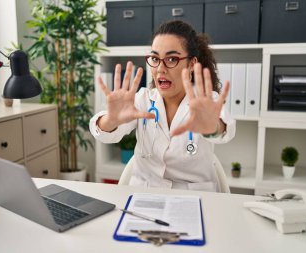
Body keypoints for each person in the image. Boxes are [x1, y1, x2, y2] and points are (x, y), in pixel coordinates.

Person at [89, 20, 236, 192]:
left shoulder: (205, 100)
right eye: (155, 58)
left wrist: (213, 128)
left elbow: (225, 130)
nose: (160, 69)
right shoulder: (142, 100)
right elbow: (103, 134)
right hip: (144, 194)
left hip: (195, 198)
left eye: (171, 59)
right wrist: (111, 120)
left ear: (191, 64)